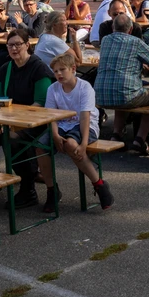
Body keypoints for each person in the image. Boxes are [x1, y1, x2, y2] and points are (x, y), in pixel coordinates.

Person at [0, 29, 55, 208]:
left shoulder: (39, 68)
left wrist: (13, 124)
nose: (14, 48)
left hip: (37, 121)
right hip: (10, 120)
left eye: (18, 44)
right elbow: (0, 101)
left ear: (27, 45)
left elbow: (40, 104)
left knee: (11, 139)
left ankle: (28, 190)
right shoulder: (6, 68)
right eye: (10, 45)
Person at [35, 52, 114, 213]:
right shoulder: (53, 89)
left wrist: (84, 144)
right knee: (40, 146)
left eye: (62, 70)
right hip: (62, 125)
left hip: (86, 125)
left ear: (73, 69)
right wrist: (55, 135)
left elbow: (85, 117)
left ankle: (99, 184)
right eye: (55, 71)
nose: (59, 74)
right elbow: (52, 116)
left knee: (72, 144)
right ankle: (52, 190)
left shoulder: (85, 87)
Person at [95, 14, 149, 156]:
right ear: (130, 29)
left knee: (121, 89)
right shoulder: (136, 42)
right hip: (126, 95)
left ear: (113, 27)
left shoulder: (105, 40)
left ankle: (116, 135)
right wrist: (146, 64)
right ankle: (140, 139)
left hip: (100, 95)